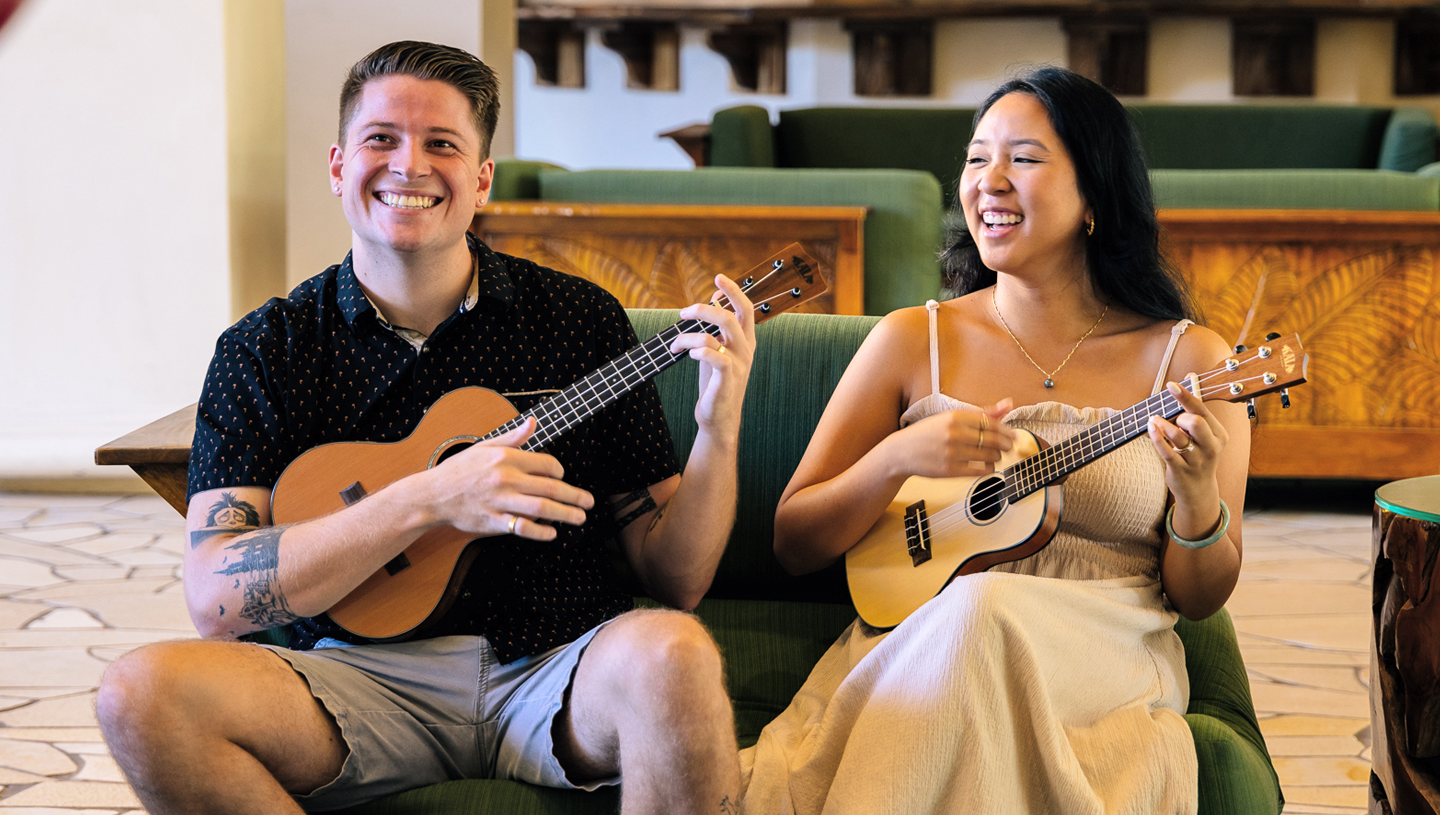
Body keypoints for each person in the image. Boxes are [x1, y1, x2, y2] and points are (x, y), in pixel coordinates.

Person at [96, 40, 755, 815]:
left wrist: (719, 428)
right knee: (139, 694)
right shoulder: (266, 349)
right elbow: (216, 599)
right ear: (339, 166)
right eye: (382, 139)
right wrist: (430, 498)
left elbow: (677, 581)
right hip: (348, 682)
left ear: (480, 182)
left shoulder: (578, 320)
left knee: (675, 655)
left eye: (442, 144)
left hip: (557, 667)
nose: (409, 165)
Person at [741, 66, 1249, 814]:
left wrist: (1197, 497)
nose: (990, 181)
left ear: (1094, 197)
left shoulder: (1190, 362)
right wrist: (895, 461)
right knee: (974, 614)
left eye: (1025, 159)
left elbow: (1200, 601)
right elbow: (794, 541)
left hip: (1105, 649)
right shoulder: (913, 340)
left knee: (985, 612)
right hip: (925, 650)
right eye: (977, 158)